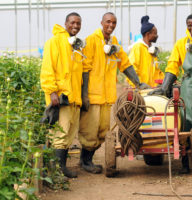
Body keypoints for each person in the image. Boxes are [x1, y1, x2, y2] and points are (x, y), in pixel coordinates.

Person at [78, 12, 149, 174]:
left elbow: (125, 63)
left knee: (103, 131)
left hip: (106, 96)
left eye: (114, 23)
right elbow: (85, 69)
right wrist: (85, 95)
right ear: (102, 22)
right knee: (89, 131)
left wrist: (138, 83)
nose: (111, 25)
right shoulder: (91, 40)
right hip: (93, 95)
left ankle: (86, 160)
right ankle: (86, 161)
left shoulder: (114, 42)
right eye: (108, 22)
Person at [150, 14, 192, 173]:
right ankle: (185, 162)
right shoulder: (181, 44)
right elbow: (172, 66)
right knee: (185, 121)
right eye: (189, 26)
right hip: (188, 85)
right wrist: (164, 87)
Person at [40, 12, 87, 178]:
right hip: (61, 99)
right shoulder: (54, 42)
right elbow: (47, 69)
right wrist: (52, 92)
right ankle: (57, 171)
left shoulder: (74, 46)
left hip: (73, 99)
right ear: (66, 23)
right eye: (73, 22)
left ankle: (60, 168)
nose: (76, 26)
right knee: (60, 134)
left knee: (68, 134)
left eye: (78, 23)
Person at [127, 15, 164, 88]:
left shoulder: (151, 50)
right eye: (155, 33)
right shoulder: (138, 48)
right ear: (148, 34)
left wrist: (165, 80)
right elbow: (132, 69)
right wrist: (139, 84)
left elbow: (157, 72)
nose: (157, 36)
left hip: (151, 90)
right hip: (141, 91)